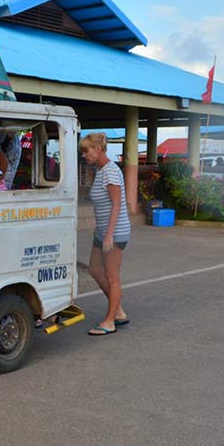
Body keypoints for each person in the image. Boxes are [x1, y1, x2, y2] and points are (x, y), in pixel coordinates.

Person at [81, 133, 130, 336]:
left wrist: (109, 235)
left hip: (115, 231)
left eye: (86, 150)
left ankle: (110, 321)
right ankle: (117, 311)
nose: (84, 155)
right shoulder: (100, 170)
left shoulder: (110, 171)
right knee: (94, 269)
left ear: (98, 149)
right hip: (102, 230)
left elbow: (117, 204)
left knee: (112, 277)